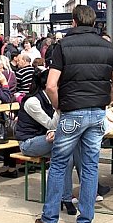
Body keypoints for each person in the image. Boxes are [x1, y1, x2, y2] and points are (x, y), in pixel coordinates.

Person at [35, 4, 113, 223]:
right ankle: (85, 222)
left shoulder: (63, 46)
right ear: (94, 22)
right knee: (91, 166)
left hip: (72, 111)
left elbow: (51, 85)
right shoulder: (106, 47)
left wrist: (58, 105)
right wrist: (107, 102)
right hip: (97, 113)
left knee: (59, 165)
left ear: (74, 21)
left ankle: (50, 219)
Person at [15, 68, 76, 213]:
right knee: (67, 148)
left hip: (46, 139)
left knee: (68, 154)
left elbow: (53, 128)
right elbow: (50, 124)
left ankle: (66, 197)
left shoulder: (48, 99)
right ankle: (67, 197)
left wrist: (54, 131)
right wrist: (60, 108)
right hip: (28, 143)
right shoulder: (32, 102)